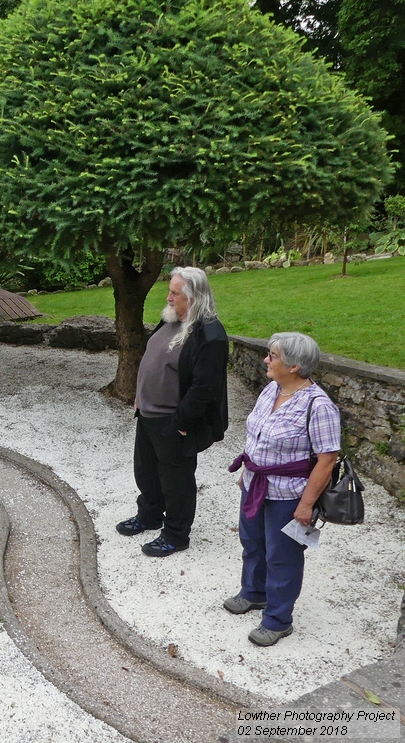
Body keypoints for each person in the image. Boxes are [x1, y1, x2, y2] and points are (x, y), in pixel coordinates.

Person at [224, 332, 340, 647]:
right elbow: (257, 436)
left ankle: (278, 620)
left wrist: (305, 505)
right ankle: (254, 593)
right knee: (251, 542)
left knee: (282, 557)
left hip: (289, 494)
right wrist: (248, 470)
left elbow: (327, 460)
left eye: (272, 356)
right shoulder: (271, 390)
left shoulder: (318, 406)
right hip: (256, 484)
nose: (266, 359)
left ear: (294, 366)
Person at [116, 266, 229, 557]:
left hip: (173, 420)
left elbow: (205, 388)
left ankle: (176, 534)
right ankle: (150, 514)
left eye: (175, 293)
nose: (168, 298)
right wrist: (141, 398)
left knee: (176, 478)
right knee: (147, 470)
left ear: (193, 297)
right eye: (170, 291)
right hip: (149, 414)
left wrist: (182, 422)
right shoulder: (171, 320)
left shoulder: (210, 334)